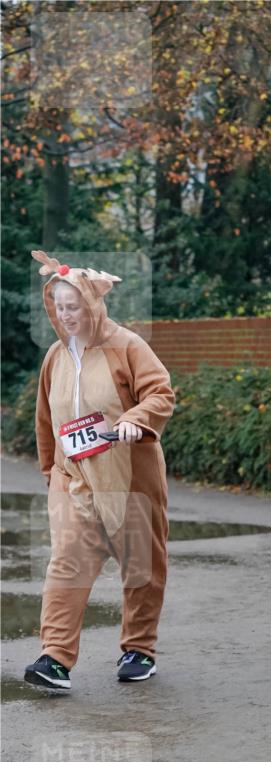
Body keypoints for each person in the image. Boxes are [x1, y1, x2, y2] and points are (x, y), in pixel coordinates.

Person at [24, 250, 175, 692]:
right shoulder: (55, 356)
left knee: (141, 565)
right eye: (59, 307)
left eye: (74, 306)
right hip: (73, 480)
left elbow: (161, 393)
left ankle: (139, 649)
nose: (66, 315)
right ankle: (54, 658)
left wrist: (134, 419)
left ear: (92, 304)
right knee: (66, 564)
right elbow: (45, 420)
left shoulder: (128, 346)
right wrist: (51, 472)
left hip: (130, 477)